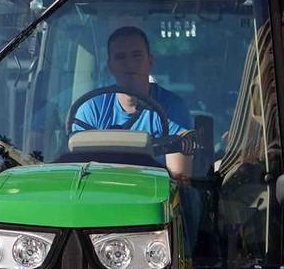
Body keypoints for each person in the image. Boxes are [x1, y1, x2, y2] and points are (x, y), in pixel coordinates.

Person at [71, 26, 194, 179]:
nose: (129, 64)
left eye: (137, 55)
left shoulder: (172, 108)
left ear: (150, 60)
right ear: (110, 66)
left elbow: (178, 179)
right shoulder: (91, 109)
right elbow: (77, 171)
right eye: (121, 57)